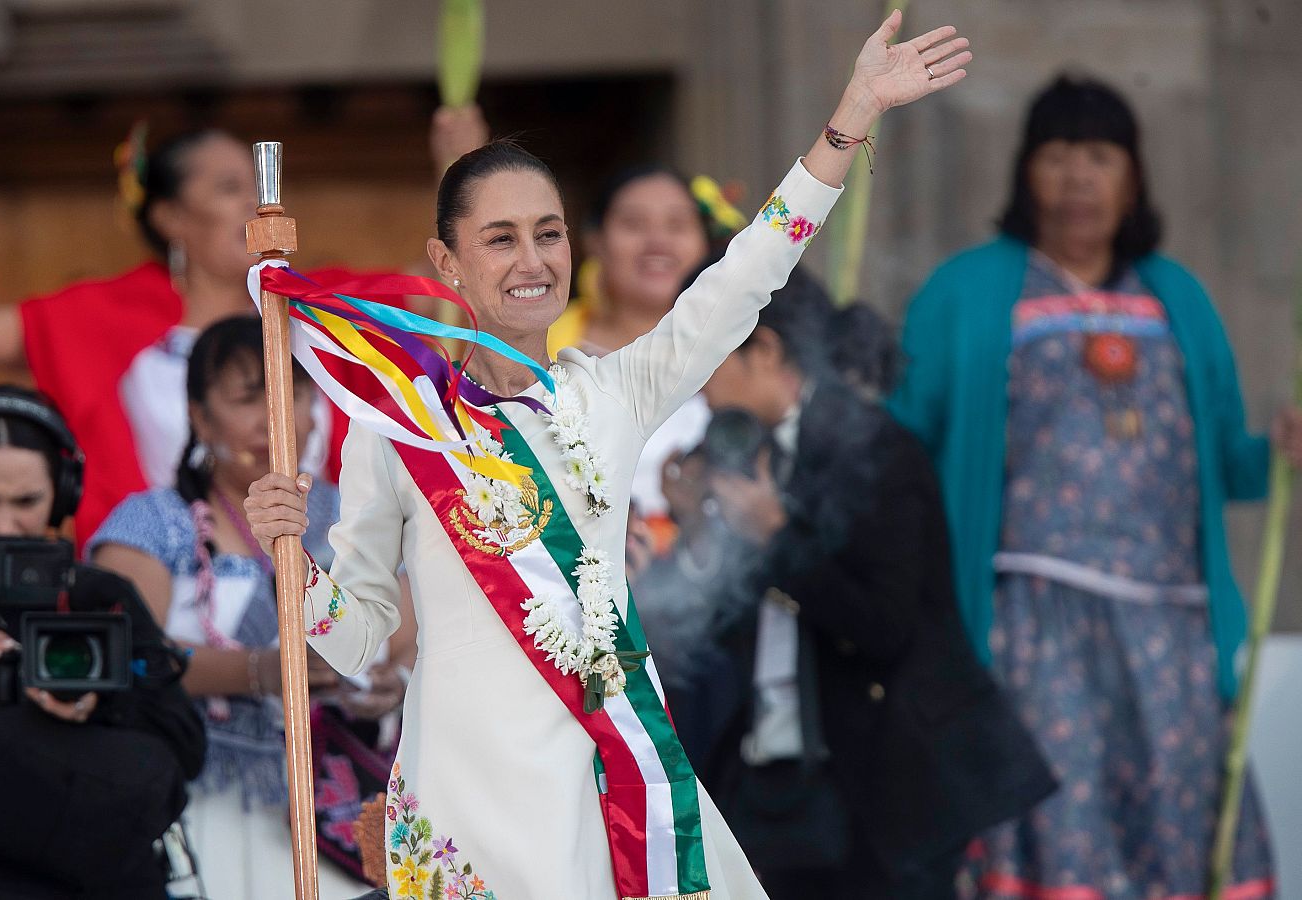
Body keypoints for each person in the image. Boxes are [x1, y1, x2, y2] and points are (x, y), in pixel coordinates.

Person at [246, 13, 971, 898]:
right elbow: (357, 641)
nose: (531, 260)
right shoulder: (397, 424)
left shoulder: (614, 392)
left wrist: (850, 116)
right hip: (462, 803)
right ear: (447, 261)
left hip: (607, 783)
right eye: (500, 238)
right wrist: (293, 562)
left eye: (547, 233)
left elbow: (749, 272)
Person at [888, 76, 1302, 898]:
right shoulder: (966, 294)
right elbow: (901, 449)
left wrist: (1282, 454)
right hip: (1032, 622)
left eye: (1100, 157)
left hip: (1171, 628)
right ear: (1023, 173)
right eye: (1057, 155)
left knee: (1177, 832)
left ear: (1135, 177)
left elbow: (1225, 461)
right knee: (1059, 825)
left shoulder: (1176, 295)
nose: (1079, 178)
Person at [0, 111, 492, 547]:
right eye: (230, 189)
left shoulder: (317, 303)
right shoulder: (111, 315)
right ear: (172, 217)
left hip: (322, 570)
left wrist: (459, 167)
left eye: (260, 188)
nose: (257, 204)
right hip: (162, 582)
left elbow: (439, 283)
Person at [672, 271, 1055, 899]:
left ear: (763, 349)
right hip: (782, 782)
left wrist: (774, 536)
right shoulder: (746, 453)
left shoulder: (875, 448)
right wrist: (696, 531)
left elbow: (884, 627)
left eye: (704, 357)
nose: (693, 384)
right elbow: (707, 635)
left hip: (888, 786)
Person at [89, 317, 404, 899]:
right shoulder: (153, 523)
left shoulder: (363, 517)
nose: (274, 416)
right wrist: (263, 672)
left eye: (293, 390)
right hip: (205, 804)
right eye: (247, 397)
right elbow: (120, 655)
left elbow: (419, 637)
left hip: (348, 804)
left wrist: (395, 683)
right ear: (200, 417)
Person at [0, 385, 204, 900]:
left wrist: (100, 701)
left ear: (63, 494)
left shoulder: (101, 596)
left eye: (26, 501)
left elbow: (184, 744)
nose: (4, 524)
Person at [545, 165, 720, 522]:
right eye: (634, 225)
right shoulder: (542, 343)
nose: (658, 242)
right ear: (595, 241)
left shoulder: (734, 349)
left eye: (677, 226)